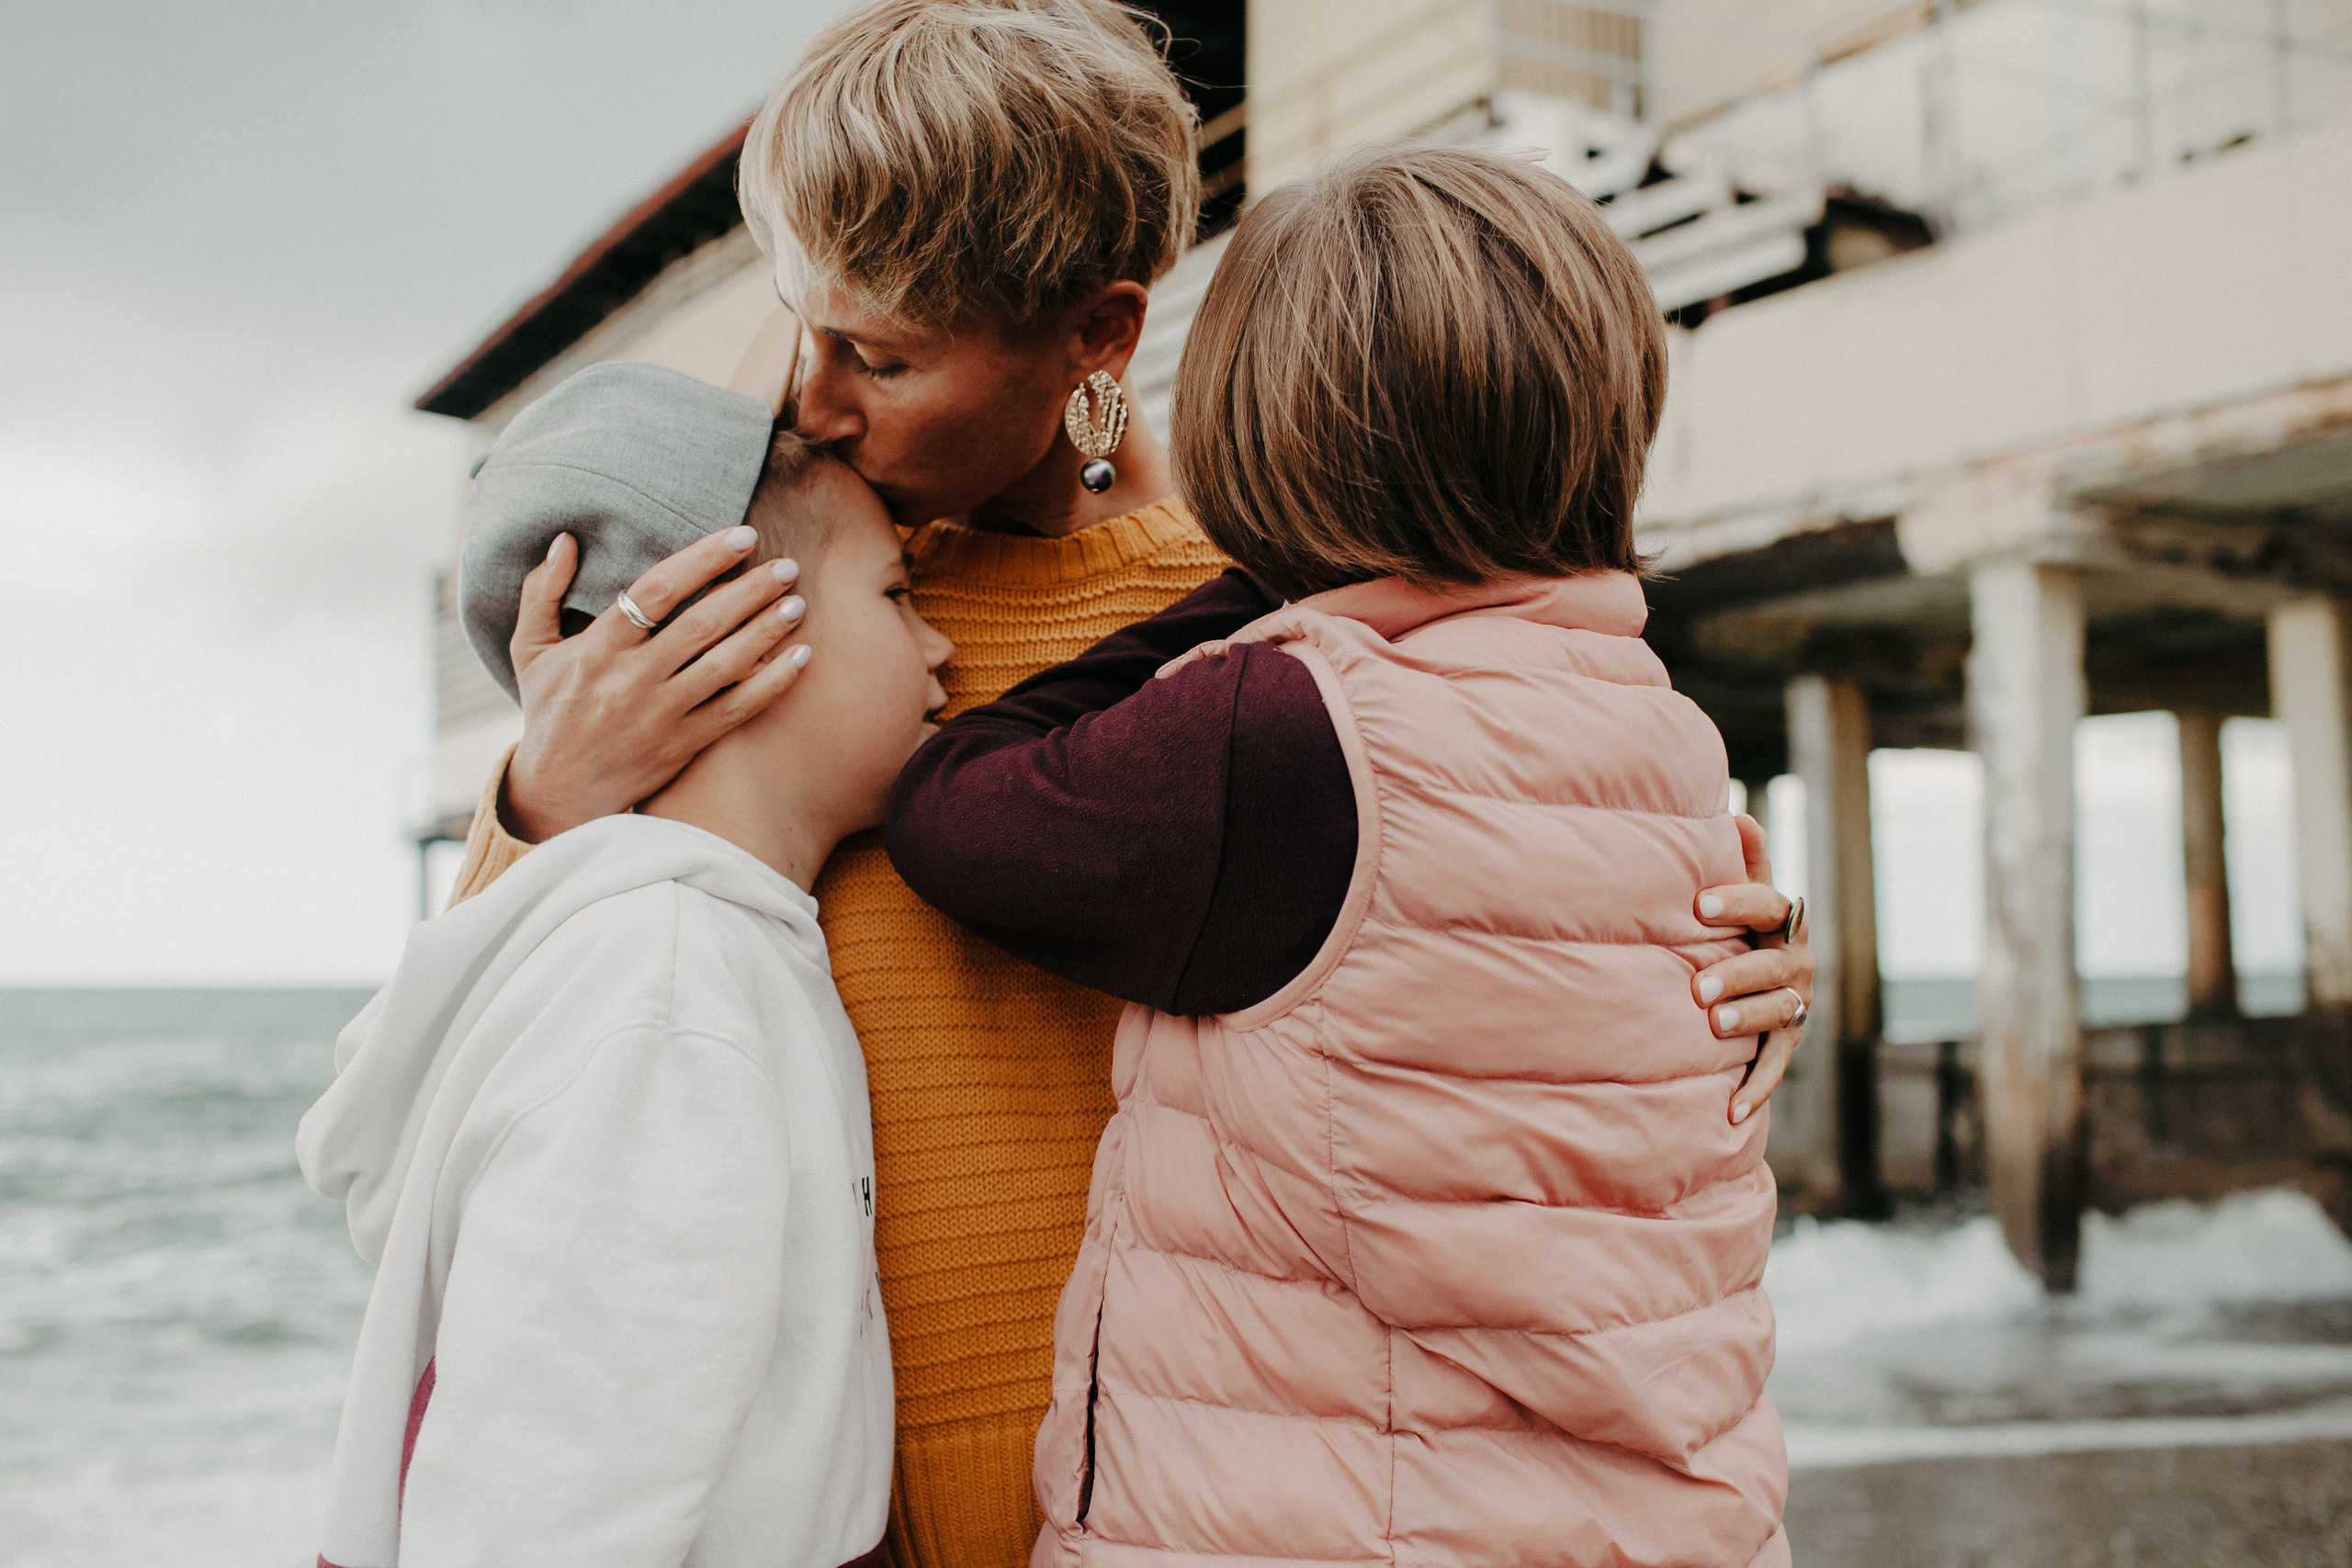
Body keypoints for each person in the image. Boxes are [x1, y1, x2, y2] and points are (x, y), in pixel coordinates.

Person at [443, 4, 1815, 1563]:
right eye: (800, 324)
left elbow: (1518, 937)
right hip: (815, 1494)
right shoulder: (784, 597)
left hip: (1188, 1488)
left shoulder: (1305, 626)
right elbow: (506, 1057)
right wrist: (544, 797)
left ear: (1100, 334)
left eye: (879, 353)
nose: (811, 404)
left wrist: (1742, 952)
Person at [889, 146, 1790, 1565]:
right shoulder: (1660, 731)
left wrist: (1261, 579)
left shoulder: (1285, 735)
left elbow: (955, 802)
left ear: (1269, 445)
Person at [298, 360, 952, 1568]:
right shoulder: (670, 997)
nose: (943, 645)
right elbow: (540, 1525)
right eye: (899, 593)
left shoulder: (657, 948)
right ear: (735, 628)